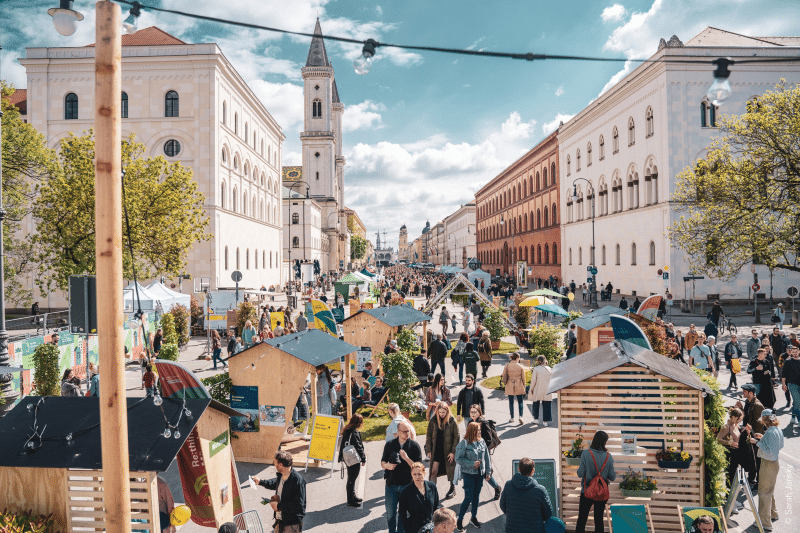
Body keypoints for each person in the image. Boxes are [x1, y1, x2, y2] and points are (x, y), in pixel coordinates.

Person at [381, 420, 423, 533]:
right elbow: (382, 462)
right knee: (390, 514)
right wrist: (387, 466)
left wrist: (406, 458)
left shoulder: (414, 446)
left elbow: (419, 468)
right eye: (404, 431)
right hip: (392, 485)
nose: (407, 434)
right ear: (398, 432)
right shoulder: (390, 445)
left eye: (408, 431)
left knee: (403, 515)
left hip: (408, 486)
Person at [252, 451, 307, 533]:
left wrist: (278, 506)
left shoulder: (297, 481)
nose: (274, 465)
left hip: (291, 524)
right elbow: (275, 484)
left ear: (280, 465)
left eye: (275, 463)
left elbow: (298, 505)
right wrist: (260, 482)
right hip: (280, 520)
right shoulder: (281, 475)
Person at [454, 422, 492, 531]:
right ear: (471, 431)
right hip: (469, 474)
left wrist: (488, 472)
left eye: (480, 430)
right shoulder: (464, 443)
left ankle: (473, 517)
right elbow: (458, 459)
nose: (479, 432)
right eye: (477, 430)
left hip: (480, 474)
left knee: (476, 497)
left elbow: (486, 457)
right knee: (468, 497)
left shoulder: (482, 441)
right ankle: (460, 519)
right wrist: (471, 464)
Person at [576, 431, 616, 533]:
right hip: (601, 492)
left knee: (582, 519)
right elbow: (612, 477)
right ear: (604, 442)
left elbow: (580, 473)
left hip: (586, 491)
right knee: (599, 520)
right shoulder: (608, 456)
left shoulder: (586, 454)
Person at [499, 457, 553, 533]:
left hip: (512, 529)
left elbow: (502, 505)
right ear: (533, 470)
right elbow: (548, 513)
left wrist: (512, 514)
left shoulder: (509, 485)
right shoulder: (540, 490)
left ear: (519, 469)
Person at [751, 409, 784, 530]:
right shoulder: (777, 430)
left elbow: (769, 451)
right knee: (769, 490)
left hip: (768, 463)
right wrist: (762, 438)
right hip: (775, 463)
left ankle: (765, 522)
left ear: (765, 420)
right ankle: (773, 514)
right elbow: (780, 445)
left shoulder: (770, 432)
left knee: (763, 492)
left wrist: (757, 442)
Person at [425, 401, 460, 500]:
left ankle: (452, 489)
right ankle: (432, 492)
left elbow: (456, 438)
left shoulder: (452, 421)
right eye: (439, 412)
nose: (441, 414)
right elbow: (428, 436)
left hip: (448, 451)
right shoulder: (433, 420)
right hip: (437, 450)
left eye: (443, 412)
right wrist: (428, 450)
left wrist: (453, 452)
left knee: (450, 472)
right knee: (433, 471)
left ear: (447, 411)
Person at [735, 384, 765, 487]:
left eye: (744, 391)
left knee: (757, 460)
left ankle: (759, 482)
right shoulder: (748, 402)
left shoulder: (757, 406)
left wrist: (753, 437)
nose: (743, 392)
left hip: (754, 437)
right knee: (751, 459)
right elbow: (747, 417)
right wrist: (741, 409)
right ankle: (751, 479)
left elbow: (760, 426)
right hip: (748, 435)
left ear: (751, 393)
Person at [398, 462, 440, 533]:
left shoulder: (432, 486)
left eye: (419, 474)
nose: (417, 477)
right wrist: (408, 529)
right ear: (411, 474)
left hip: (431, 528)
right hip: (415, 529)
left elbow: (437, 507)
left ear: (424, 473)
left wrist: (437, 524)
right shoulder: (406, 492)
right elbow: (402, 513)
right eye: (414, 474)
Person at [339, 413, 366, 507]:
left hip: (347, 458)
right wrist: (363, 459)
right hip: (354, 459)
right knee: (352, 479)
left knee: (351, 478)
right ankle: (350, 500)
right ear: (359, 423)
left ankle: (353, 496)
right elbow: (359, 447)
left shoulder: (346, 430)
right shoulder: (354, 433)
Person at [717, 407, 743, 488]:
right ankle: (729, 496)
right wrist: (729, 443)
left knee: (735, 475)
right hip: (730, 454)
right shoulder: (726, 427)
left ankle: (732, 493)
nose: (740, 421)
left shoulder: (736, 425)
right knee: (730, 476)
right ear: (734, 417)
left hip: (736, 454)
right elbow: (718, 439)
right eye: (739, 419)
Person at [502, 352, 527, 424]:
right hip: (519, 384)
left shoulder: (507, 365)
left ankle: (512, 417)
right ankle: (520, 416)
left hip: (509, 384)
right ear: (517, 358)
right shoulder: (520, 366)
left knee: (511, 402)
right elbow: (523, 378)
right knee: (520, 401)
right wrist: (524, 387)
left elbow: (503, 374)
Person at [528, 355, 553, 426]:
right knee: (547, 404)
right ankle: (545, 421)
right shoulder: (549, 368)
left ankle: (536, 419)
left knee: (536, 403)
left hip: (538, 387)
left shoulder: (536, 369)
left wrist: (531, 389)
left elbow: (533, 380)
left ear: (538, 361)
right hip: (547, 388)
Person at [781, 344, 800, 426]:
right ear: (791, 353)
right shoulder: (788, 361)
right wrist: (783, 384)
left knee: (797, 402)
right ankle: (799, 420)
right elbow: (784, 373)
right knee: (797, 401)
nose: (795, 353)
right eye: (793, 352)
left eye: (796, 352)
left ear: (799, 352)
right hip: (792, 384)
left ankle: (792, 417)